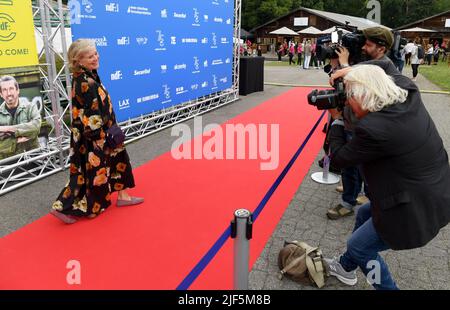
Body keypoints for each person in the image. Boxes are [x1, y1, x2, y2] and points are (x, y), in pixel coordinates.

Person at [325, 64, 450, 290]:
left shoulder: (375, 129)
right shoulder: (407, 92)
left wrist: (336, 119)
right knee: (364, 213)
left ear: (363, 98)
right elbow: (388, 71)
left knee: (360, 247)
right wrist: (352, 70)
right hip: (435, 191)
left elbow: (339, 159)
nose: (347, 103)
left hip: (414, 209)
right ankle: (345, 267)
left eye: (349, 96)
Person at [51, 39, 144, 224]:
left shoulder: (88, 76)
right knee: (85, 171)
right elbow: (91, 114)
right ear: (79, 60)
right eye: (90, 55)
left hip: (104, 130)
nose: (96, 57)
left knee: (119, 160)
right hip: (95, 135)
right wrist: (101, 138)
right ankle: (62, 205)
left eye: (96, 53)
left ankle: (124, 196)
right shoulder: (85, 82)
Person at [326, 26, 397, 220]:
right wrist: (337, 65)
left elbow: (360, 88)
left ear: (381, 48)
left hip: (365, 128)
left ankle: (371, 202)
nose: (363, 48)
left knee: (368, 170)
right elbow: (340, 86)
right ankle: (348, 200)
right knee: (350, 168)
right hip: (351, 123)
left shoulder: (384, 68)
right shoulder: (363, 63)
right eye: (362, 44)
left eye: (368, 44)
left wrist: (344, 64)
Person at [0, 75, 41, 160]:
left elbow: (36, 127)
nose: (9, 93)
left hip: (33, 158)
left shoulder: (30, 107)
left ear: (17, 90)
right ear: (1, 94)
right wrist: (15, 141)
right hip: (8, 163)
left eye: (11, 88)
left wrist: (7, 129)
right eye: (4, 90)